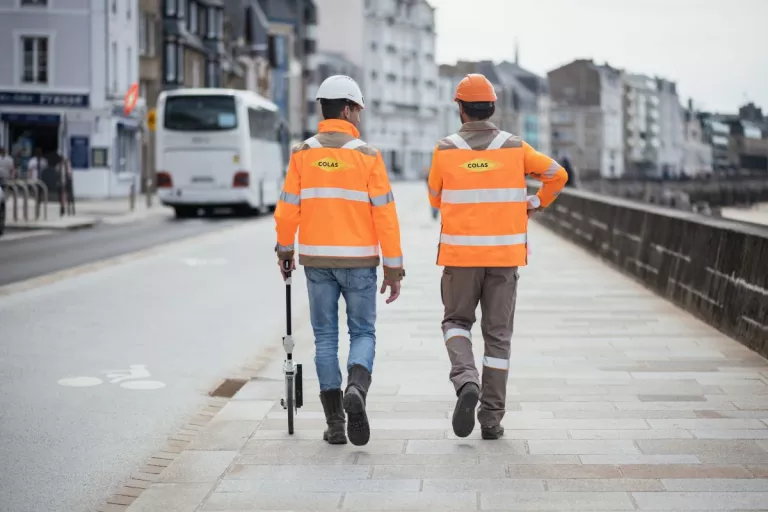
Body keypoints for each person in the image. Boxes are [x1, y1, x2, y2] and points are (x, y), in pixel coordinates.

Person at [427, 73, 568, 440]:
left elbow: (435, 198)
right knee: (498, 337)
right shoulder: (515, 147)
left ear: (460, 109)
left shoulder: (445, 149)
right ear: (493, 107)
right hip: (505, 258)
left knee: (456, 322)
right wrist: (534, 202)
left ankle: (465, 379)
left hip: (459, 258)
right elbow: (558, 175)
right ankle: (491, 419)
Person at [273, 75, 405, 446]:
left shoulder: (302, 153)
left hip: (317, 262)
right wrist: (393, 268)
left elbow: (286, 211)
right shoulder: (368, 156)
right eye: (358, 110)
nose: (359, 117)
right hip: (360, 262)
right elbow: (386, 216)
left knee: (325, 338)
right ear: (347, 108)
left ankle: (334, 423)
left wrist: (285, 250)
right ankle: (357, 390)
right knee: (362, 332)